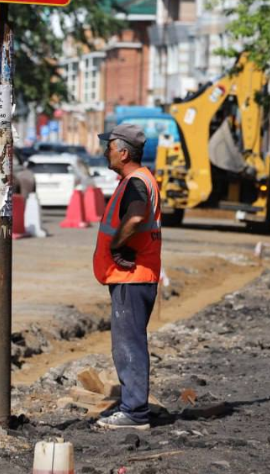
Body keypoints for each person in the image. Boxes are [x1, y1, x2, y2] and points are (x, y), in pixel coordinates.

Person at [92, 123, 162, 431]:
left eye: (108, 147)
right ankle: (133, 407)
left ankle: (134, 412)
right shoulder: (137, 179)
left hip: (132, 276)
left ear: (122, 152)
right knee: (129, 341)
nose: (105, 151)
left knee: (128, 344)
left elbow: (135, 216)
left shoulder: (135, 182)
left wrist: (117, 244)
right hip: (134, 276)